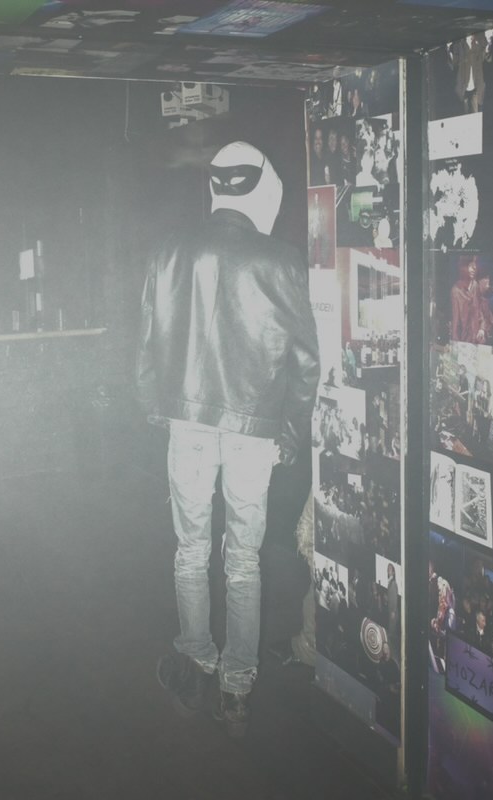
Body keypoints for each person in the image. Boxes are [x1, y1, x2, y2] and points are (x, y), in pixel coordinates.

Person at [136, 141, 320, 738]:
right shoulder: (282, 261)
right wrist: (290, 430)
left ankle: (196, 661)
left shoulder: (169, 251)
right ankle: (237, 689)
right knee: (243, 560)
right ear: (264, 188)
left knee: (190, 549)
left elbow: (147, 341)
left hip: (186, 421)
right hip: (254, 428)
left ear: (214, 187)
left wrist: (155, 404)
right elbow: (305, 363)